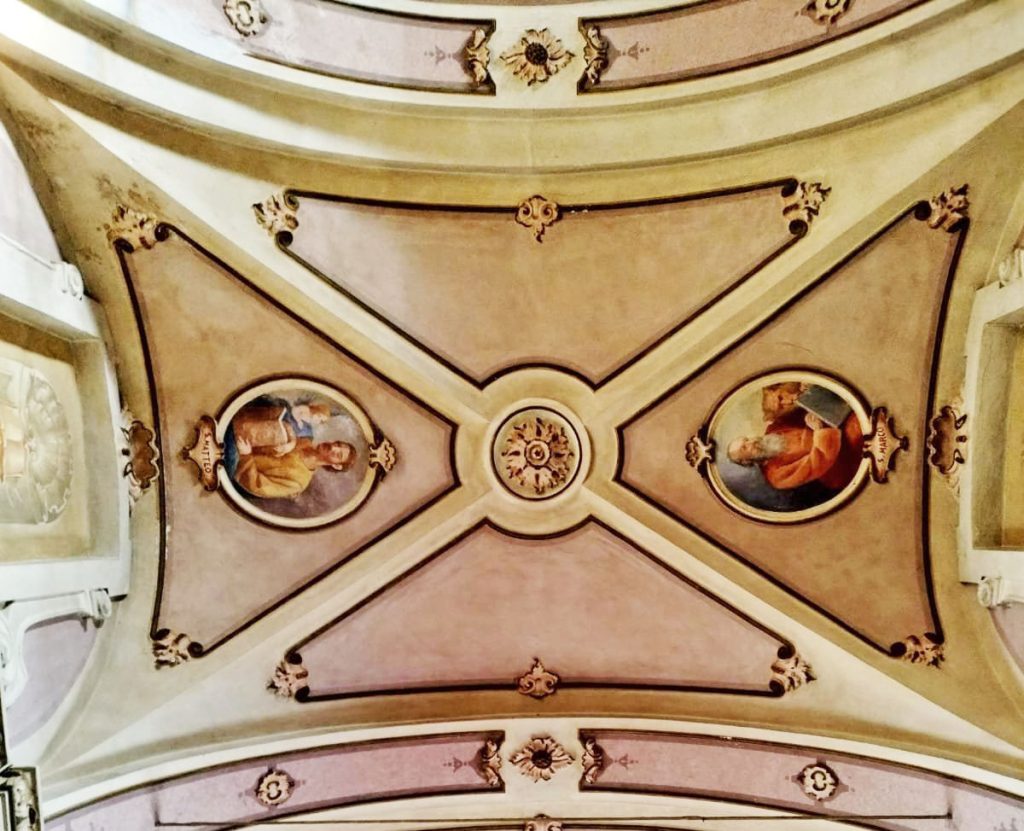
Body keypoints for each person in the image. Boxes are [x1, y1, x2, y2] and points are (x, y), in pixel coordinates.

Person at [726, 382, 863, 492]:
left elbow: (795, 409)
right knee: (857, 424)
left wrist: (802, 392)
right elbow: (818, 462)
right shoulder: (776, 476)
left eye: (746, 440)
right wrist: (819, 430)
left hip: (835, 428)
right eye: (745, 447)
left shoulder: (772, 430)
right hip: (839, 463)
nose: (751, 442)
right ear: (745, 461)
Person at [232, 437, 356, 499]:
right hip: (239, 440)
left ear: (336, 465)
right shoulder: (304, 442)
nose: (333, 447)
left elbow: (256, 486)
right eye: (337, 444)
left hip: (234, 465)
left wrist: (245, 456)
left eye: (338, 455)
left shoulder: (299, 482)